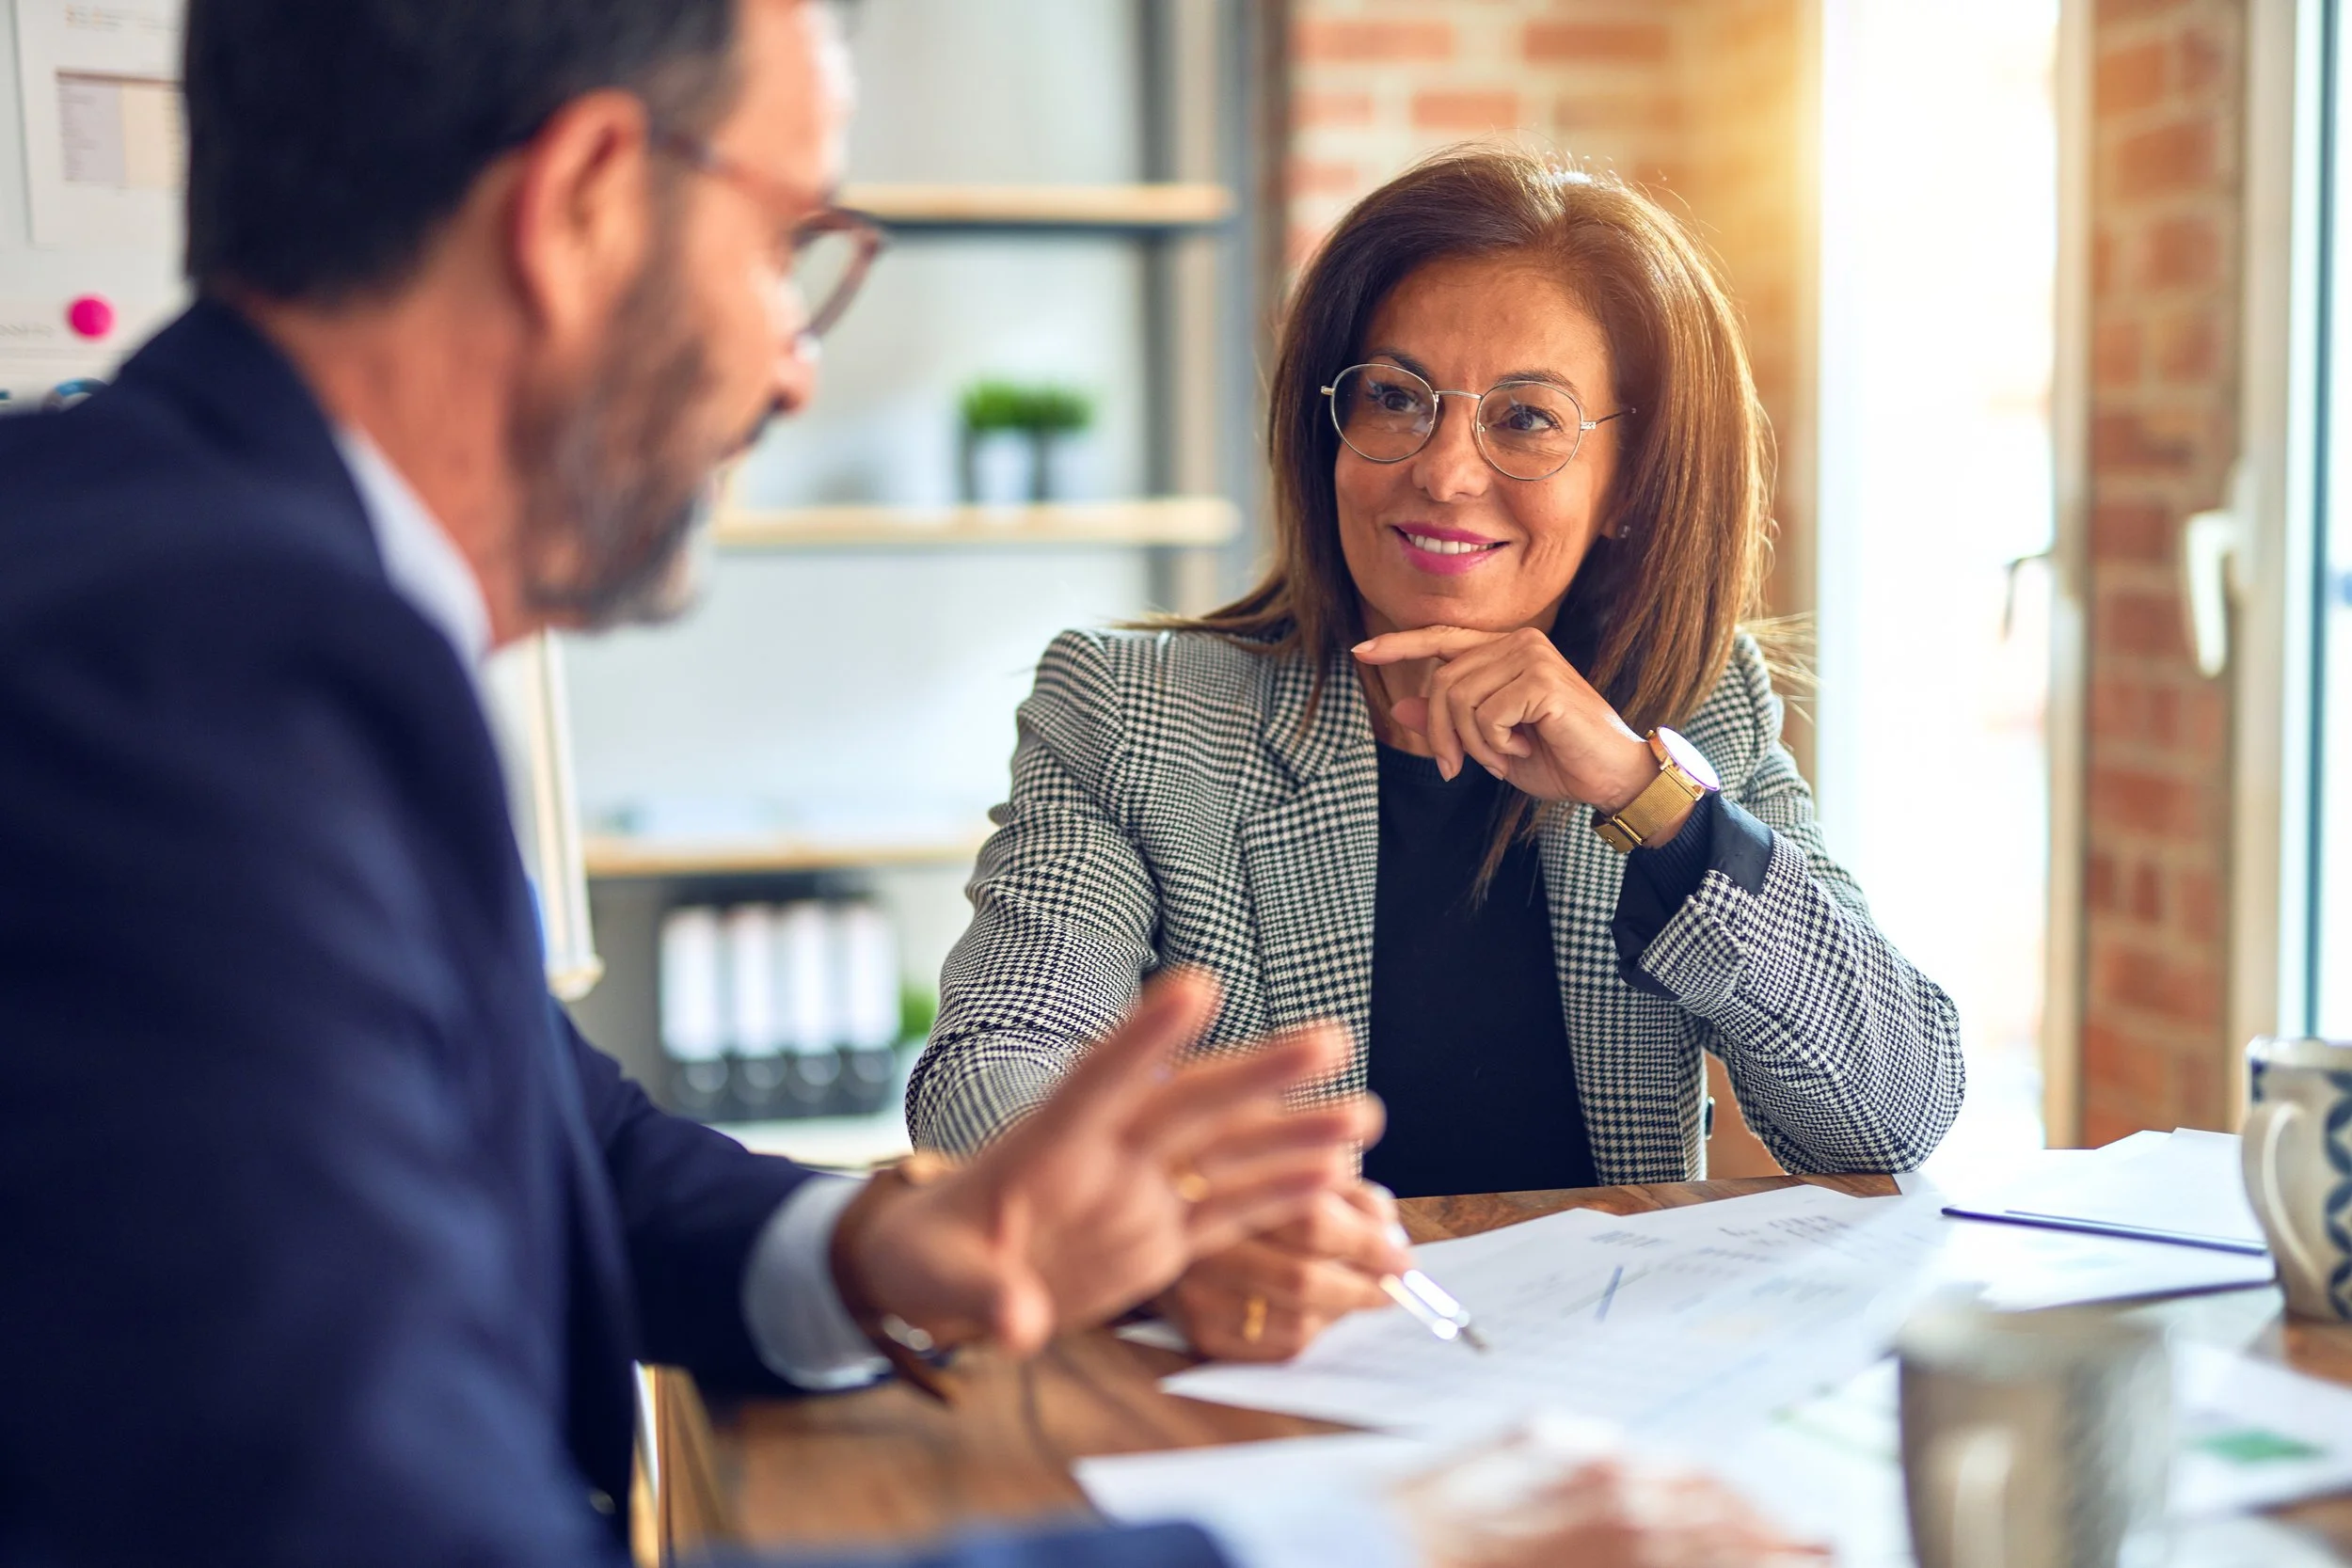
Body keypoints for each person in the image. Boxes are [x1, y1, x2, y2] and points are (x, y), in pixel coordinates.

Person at [0, 3, 1817, 1565]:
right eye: (789, 239)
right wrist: (1380, 1542)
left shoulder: (212, 592)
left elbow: (555, 1139)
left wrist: (893, 1242)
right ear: (577, 208)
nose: (799, 367)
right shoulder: (185, 679)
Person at [909, 148, 1966, 1363]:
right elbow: (985, 1085)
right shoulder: (1130, 713)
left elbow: (1896, 1107)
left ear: (1627, 481)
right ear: (1333, 428)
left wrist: (1645, 794)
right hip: (1260, 1393)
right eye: (1397, 397)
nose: (1447, 469)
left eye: (1525, 418)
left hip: (1597, 1407)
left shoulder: (1693, 710)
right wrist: (1192, 1227)